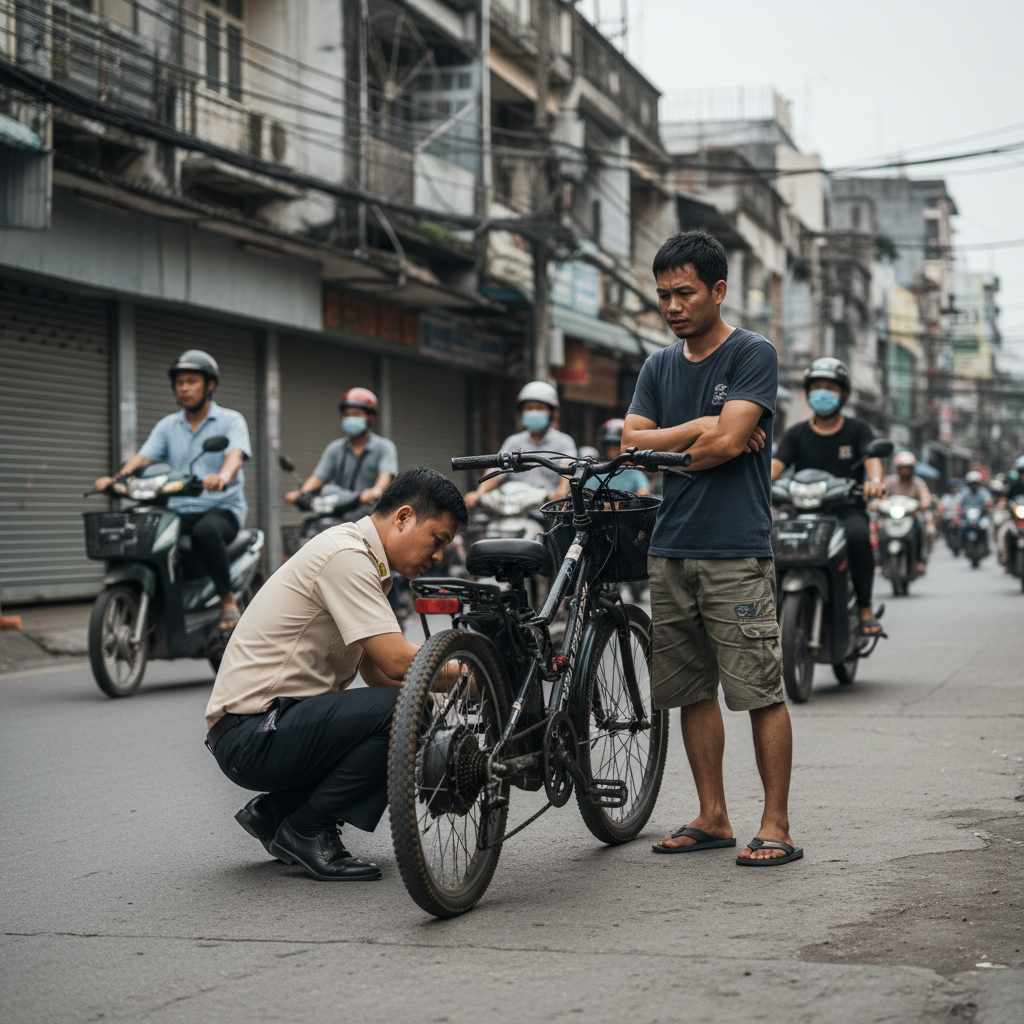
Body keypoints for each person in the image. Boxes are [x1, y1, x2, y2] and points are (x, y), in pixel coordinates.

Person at [622, 229, 799, 866]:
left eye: (685, 293)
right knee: (690, 689)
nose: (672, 305)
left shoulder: (753, 354)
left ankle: (774, 823)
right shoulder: (658, 366)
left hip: (735, 550)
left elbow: (730, 446)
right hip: (670, 548)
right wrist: (701, 427)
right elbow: (632, 442)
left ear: (718, 291)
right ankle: (713, 815)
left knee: (758, 690)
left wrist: (683, 446)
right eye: (664, 294)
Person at [205, 468, 467, 881]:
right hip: (253, 734)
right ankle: (307, 829)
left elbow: (379, 672)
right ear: (402, 517)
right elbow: (399, 662)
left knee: (407, 706)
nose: (438, 557)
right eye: (437, 540)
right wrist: (474, 674)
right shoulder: (348, 557)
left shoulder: (365, 562)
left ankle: (278, 811)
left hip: (260, 728)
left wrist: (445, 689)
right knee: (407, 715)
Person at [94, 350, 251, 631]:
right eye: (180, 383)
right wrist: (116, 480)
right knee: (137, 528)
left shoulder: (231, 420)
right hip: (178, 509)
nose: (184, 388)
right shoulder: (168, 425)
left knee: (207, 532)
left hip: (220, 508)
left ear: (210, 385)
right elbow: (142, 459)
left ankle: (227, 599)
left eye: (191, 381)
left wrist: (223, 476)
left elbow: (235, 455)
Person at [771, 357, 886, 636]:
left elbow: (872, 458)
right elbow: (776, 466)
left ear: (843, 394)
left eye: (830, 388)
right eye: (817, 387)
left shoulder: (857, 429)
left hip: (846, 509)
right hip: (801, 511)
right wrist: (759, 484)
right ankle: (770, 611)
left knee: (859, 537)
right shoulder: (796, 433)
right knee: (770, 543)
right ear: (809, 392)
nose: (823, 393)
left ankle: (865, 608)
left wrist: (875, 481)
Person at [285, 388, 398, 523]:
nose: (350, 418)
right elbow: (319, 476)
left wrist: (375, 491)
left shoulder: (384, 447)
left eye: (356, 414)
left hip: (371, 515)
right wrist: (302, 493)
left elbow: (385, 476)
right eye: (347, 414)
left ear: (371, 417)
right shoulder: (335, 448)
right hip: (341, 510)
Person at [465, 381, 577, 506]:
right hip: (516, 511)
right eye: (529, 408)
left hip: (550, 510)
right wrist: (479, 493)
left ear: (554, 413)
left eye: (539, 408)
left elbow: (569, 470)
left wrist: (561, 492)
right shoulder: (513, 442)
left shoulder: (564, 442)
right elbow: (496, 470)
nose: (533, 412)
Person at [883, 452, 933, 575]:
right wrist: (876, 503)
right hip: (891, 518)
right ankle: (881, 562)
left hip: (911, 517)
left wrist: (924, 503)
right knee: (880, 533)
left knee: (921, 531)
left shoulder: (918, 482)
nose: (905, 471)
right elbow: (881, 496)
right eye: (902, 468)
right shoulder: (889, 481)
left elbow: (925, 497)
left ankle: (919, 561)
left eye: (908, 468)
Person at [594, 419, 651, 495]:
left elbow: (644, 491)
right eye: (609, 446)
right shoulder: (597, 470)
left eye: (617, 446)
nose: (613, 450)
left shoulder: (633, 473)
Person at [958, 470, 994, 555]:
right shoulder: (964, 492)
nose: (973, 485)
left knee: (986, 528)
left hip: (980, 516)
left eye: (975, 483)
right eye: (971, 483)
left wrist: (989, 505)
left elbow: (988, 501)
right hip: (967, 517)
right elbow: (959, 502)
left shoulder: (983, 492)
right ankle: (962, 546)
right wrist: (959, 509)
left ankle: (987, 546)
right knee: (961, 527)